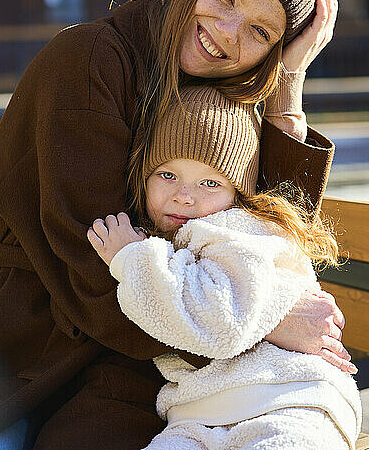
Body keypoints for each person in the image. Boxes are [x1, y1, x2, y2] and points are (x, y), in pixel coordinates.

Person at [0, 0, 351, 449]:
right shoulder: (91, 58)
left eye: (260, 32)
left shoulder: (226, 95)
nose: (225, 32)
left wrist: (288, 86)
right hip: (24, 340)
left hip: (140, 356)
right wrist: (258, 323)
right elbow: (89, 264)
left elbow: (272, 240)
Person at [88, 85, 362, 450]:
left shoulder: (240, 232)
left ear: (237, 192)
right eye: (167, 175)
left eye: (210, 182)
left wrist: (132, 259)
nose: (185, 195)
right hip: (196, 415)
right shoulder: (165, 240)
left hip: (288, 398)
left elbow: (222, 324)